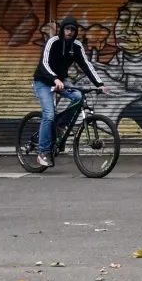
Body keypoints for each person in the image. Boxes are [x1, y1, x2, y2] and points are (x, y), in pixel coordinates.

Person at [33, 16, 105, 168]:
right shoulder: (52, 42)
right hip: (43, 81)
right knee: (49, 114)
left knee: (78, 96)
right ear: (62, 29)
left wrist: (100, 84)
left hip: (60, 80)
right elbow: (43, 64)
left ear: (75, 31)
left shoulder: (76, 46)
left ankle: (61, 125)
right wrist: (54, 79)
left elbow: (86, 65)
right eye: (67, 29)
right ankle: (43, 152)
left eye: (72, 30)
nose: (69, 32)